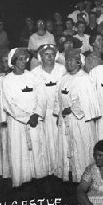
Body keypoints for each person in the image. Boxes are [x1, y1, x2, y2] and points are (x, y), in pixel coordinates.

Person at [1, 47, 49, 187]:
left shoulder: (33, 76)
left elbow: (42, 97)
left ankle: (38, 177)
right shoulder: (7, 80)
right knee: (19, 151)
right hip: (18, 122)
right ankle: (21, 179)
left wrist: (36, 114)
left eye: (25, 59)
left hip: (35, 120)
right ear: (14, 61)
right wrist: (26, 118)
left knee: (37, 148)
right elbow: (8, 103)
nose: (23, 62)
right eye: (20, 59)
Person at [54, 49, 101, 181]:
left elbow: (88, 102)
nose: (69, 63)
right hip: (66, 121)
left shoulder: (85, 79)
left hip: (80, 121)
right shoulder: (63, 79)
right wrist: (60, 113)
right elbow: (57, 98)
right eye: (67, 61)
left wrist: (72, 109)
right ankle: (71, 176)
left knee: (82, 148)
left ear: (79, 63)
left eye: (72, 61)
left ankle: (85, 178)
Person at [31, 44, 66, 177]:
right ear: (41, 57)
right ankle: (48, 170)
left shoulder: (62, 69)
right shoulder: (35, 73)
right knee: (45, 141)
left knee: (59, 140)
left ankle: (61, 169)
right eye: (46, 54)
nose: (50, 57)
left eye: (52, 54)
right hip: (43, 113)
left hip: (58, 112)